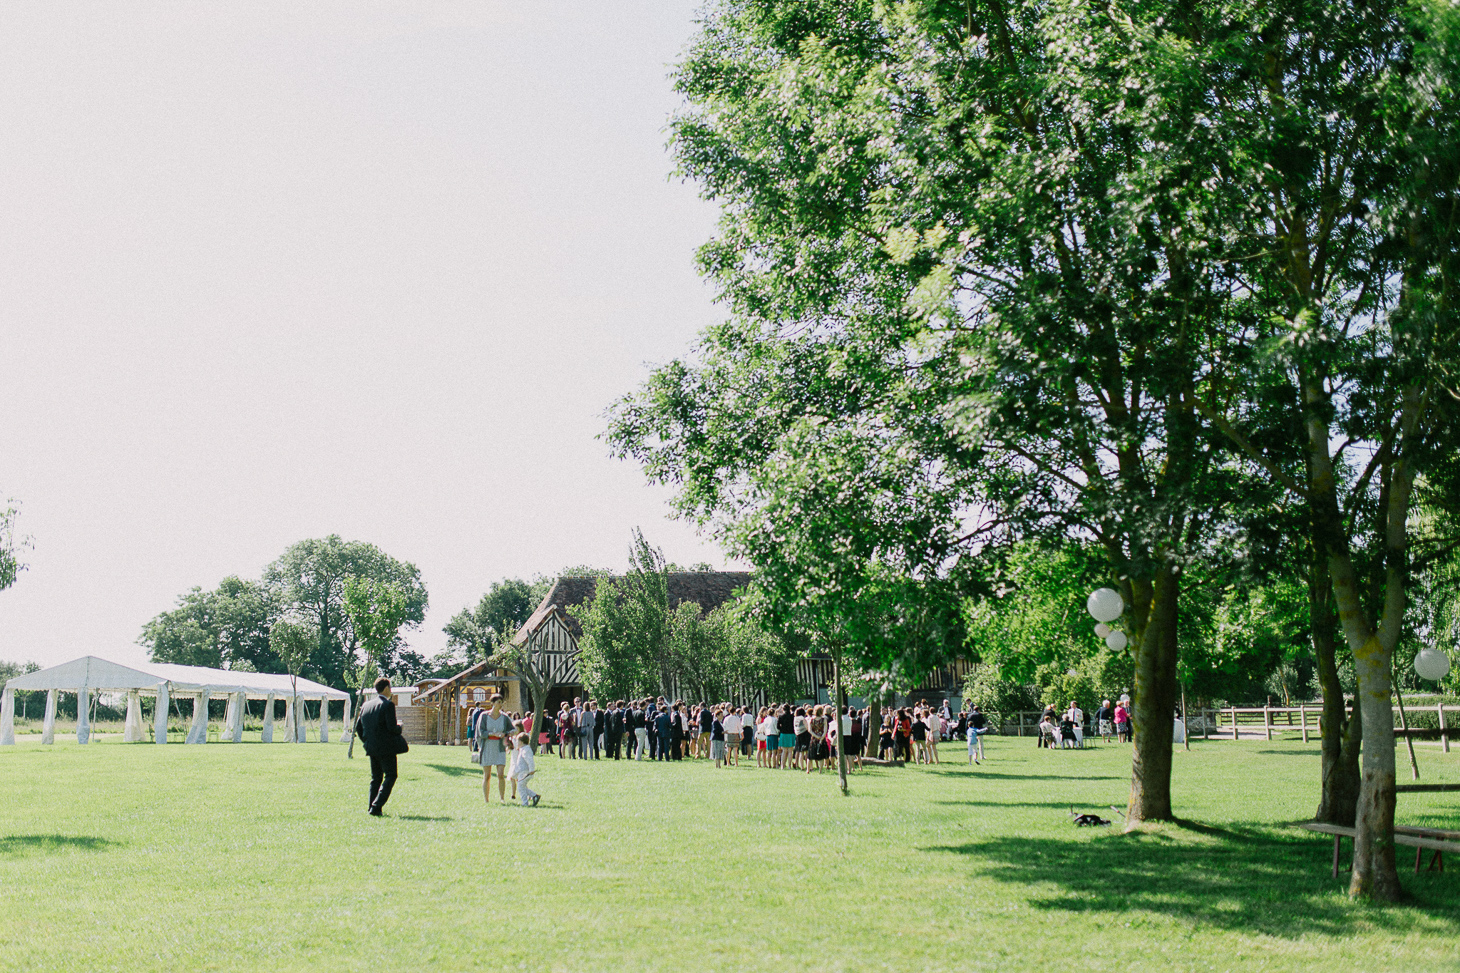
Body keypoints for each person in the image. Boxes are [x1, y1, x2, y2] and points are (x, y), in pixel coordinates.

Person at [354, 676, 405, 816]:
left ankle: (371, 806)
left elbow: (359, 727)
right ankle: (376, 806)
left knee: (376, 778)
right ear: (387, 688)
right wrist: (399, 726)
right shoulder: (388, 705)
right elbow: (391, 728)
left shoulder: (366, 705)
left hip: (372, 747)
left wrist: (366, 741)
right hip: (386, 748)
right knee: (391, 775)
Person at [475, 694, 515, 805]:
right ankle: (486, 799)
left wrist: (511, 732)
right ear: (492, 703)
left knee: (501, 774)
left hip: (500, 747)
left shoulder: (504, 717)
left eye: (501, 702)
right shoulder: (484, 716)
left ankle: (502, 798)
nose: (500, 705)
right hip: (487, 747)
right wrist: (493, 734)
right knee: (487, 775)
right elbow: (480, 732)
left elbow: (511, 729)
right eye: (498, 702)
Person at [509, 732, 540, 807]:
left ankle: (525, 802)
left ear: (521, 742)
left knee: (520, 787)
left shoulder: (525, 750)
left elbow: (529, 760)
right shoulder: (522, 749)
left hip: (525, 772)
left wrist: (531, 769)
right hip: (522, 772)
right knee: (522, 786)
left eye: (517, 741)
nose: (516, 743)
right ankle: (534, 796)